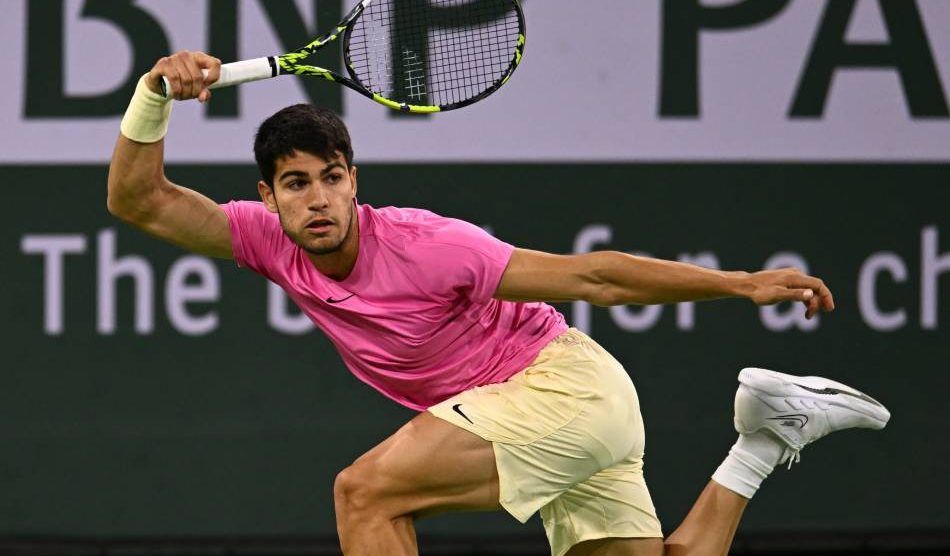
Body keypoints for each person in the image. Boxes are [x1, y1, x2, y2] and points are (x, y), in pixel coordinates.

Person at [107, 51, 890, 556]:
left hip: (561, 388)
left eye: (332, 176)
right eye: (296, 182)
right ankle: (765, 439)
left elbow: (595, 278)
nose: (319, 199)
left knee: (365, 492)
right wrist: (152, 95)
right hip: (574, 413)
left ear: (354, 180)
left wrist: (740, 283)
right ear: (268, 197)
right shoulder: (264, 240)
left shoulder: (426, 244)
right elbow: (138, 200)